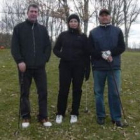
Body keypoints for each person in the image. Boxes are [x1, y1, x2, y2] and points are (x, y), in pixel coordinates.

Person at [11, 3, 52, 128]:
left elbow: (48, 46)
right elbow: (15, 47)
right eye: (32, 11)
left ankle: (43, 117)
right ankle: (25, 117)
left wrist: (44, 59)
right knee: (25, 93)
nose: (34, 13)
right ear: (27, 13)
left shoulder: (43, 29)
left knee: (43, 92)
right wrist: (19, 61)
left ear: (38, 14)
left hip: (39, 67)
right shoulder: (19, 28)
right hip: (25, 67)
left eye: (36, 11)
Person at [88, 9, 125, 127]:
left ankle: (116, 117)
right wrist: (102, 54)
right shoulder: (93, 32)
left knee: (114, 92)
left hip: (114, 67)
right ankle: (101, 116)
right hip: (98, 67)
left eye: (106, 15)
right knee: (98, 93)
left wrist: (110, 53)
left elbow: (121, 47)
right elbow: (90, 49)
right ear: (99, 18)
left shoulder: (117, 31)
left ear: (110, 17)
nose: (104, 17)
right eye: (102, 15)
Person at [53, 14, 90, 124]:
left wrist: (87, 69)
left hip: (79, 67)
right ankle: (60, 113)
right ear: (68, 23)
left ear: (78, 23)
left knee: (77, 90)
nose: (73, 23)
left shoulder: (83, 37)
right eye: (71, 21)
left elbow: (87, 54)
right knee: (63, 90)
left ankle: (74, 113)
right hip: (65, 66)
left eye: (75, 21)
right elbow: (55, 50)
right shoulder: (63, 35)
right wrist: (63, 55)